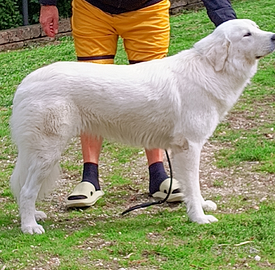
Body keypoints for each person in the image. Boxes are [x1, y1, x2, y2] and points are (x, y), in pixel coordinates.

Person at [39, 0, 237, 208]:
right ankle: (90, 177)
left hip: (148, 8)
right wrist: (48, 3)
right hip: (92, 8)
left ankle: (158, 175)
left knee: (152, 92)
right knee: (90, 91)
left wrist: (229, 22)